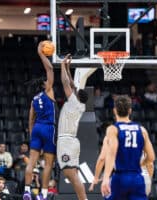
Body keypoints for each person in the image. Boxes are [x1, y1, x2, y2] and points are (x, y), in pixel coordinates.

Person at [101, 95, 155, 200]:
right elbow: (151, 157)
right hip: (137, 178)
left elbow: (112, 154)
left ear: (114, 110)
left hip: (121, 177)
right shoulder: (142, 130)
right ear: (130, 111)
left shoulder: (113, 129)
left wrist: (106, 178)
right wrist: (142, 163)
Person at [23, 41, 56, 200]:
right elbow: (49, 68)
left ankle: (27, 191)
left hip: (36, 129)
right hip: (49, 128)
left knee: (32, 162)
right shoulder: (48, 91)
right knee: (48, 164)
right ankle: (42, 194)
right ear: (44, 84)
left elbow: (30, 120)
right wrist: (41, 53)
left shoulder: (33, 100)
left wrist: (32, 135)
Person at [57, 54, 89, 200]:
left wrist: (62, 65)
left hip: (67, 142)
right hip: (72, 141)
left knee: (71, 175)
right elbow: (71, 84)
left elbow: (65, 83)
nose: (73, 89)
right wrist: (68, 68)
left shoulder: (73, 103)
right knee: (72, 175)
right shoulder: (79, 104)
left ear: (76, 95)